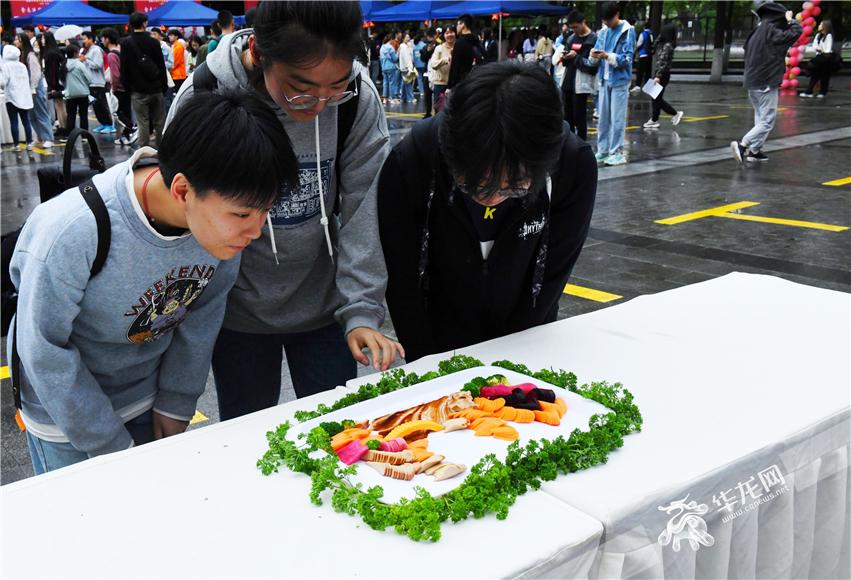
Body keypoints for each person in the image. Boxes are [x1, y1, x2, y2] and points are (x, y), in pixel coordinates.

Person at [9, 90, 299, 475]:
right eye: (243, 213)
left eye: (265, 211)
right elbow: (43, 350)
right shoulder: (71, 231)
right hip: (66, 418)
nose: (256, 231)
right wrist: (112, 447)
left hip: (147, 396)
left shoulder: (221, 231)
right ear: (182, 190)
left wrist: (176, 402)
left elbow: (202, 316)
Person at [165, 1, 403, 420]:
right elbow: (184, 217)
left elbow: (366, 206)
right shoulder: (204, 97)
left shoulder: (354, 100)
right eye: (302, 88)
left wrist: (362, 309)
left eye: (336, 86)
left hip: (326, 307)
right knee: (249, 437)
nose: (320, 104)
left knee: (339, 430)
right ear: (258, 52)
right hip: (236, 311)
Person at [378, 61, 597, 362]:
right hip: (437, 334)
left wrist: (512, 361)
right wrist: (427, 363)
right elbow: (402, 280)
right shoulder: (413, 160)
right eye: (474, 185)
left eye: (514, 187)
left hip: (526, 335)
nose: (492, 199)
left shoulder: (573, 165)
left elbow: (553, 274)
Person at [731, 1, 802, 164]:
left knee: (760, 116)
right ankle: (743, 145)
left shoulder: (757, 31)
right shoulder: (772, 31)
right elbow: (796, 32)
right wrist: (791, 20)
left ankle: (755, 151)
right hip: (766, 81)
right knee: (767, 120)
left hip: (752, 81)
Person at [589, 1, 635, 166]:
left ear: (617, 14)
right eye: (605, 20)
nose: (607, 23)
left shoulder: (628, 31)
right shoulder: (603, 32)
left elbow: (627, 59)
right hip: (604, 80)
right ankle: (602, 150)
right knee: (603, 118)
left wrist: (607, 56)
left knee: (617, 119)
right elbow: (594, 55)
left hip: (619, 81)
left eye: (609, 19)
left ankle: (617, 151)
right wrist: (593, 55)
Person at [121, 12, 168, 148]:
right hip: (155, 87)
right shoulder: (153, 42)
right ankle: (161, 149)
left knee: (143, 122)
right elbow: (161, 65)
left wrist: (128, 88)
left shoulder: (126, 43)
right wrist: (163, 86)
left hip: (137, 90)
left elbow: (124, 68)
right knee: (159, 121)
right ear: (144, 23)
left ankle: (144, 151)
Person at [553, 10, 598, 141]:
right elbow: (567, 62)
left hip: (581, 84)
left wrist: (576, 57)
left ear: (583, 22)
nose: (574, 30)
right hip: (567, 81)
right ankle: (569, 143)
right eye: (572, 28)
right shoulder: (571, 38)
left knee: (580, 117)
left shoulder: (593, 39)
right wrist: (565, 57)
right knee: (567, 117)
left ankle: (581, 144)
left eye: (576, 27)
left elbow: (591, 66)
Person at [642, 23, 684, 129]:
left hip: (662, 74)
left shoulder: (667, 46)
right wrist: (658, 40)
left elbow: (663, 62)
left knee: (656, 98)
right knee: (655, 96)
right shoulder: (664, 44)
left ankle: (671, 114)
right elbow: (653, 48)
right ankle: (655, 119)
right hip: (660, 73)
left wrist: (658, 76)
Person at [16, 33, 54, 148]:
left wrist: (33, 87)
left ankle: (49, 138)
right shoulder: (23, 55)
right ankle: (40, 137)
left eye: (17, 39)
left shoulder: (30, 55)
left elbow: (36, 73)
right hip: (28, 90)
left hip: (35, 89)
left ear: (22, 41)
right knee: (31, 116)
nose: (15, 41)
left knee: (41, 113)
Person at [101, 28, 137, 146]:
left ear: (107, 39)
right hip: (128, 86)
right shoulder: (122, 50)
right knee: (126, 112)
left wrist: (113, 88)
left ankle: (132, 128)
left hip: (119, 88)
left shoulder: (111, 55)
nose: (102, 40)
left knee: (118, 112)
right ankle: (125, 137)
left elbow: (115, 75)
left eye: (103, 38)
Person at [1, 45, 34, 150]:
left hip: (11, 98)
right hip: (24, 97)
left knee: (14, 122)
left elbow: (3, 82)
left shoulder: (6, 66)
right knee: (26, 121)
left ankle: (17, 145)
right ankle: (29, 143)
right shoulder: (22, 65)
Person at [80, 31, 114, 134]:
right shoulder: (89, 50)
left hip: (97, 82)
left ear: (91, 39)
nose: (83, 41)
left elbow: (98, 65)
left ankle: (109, 125)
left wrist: (85, 60)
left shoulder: (96, 50)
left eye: (85, 39)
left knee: (101, 104)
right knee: (96, 105)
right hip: (91, 82)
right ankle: (103, 123)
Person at [41, 31, 67, 138]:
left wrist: (53, 86)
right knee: (59, 106)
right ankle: (62, 126)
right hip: (57, 82)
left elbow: (53, 71)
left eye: (43, 38)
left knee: (60, 106)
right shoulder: (54, 51)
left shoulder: (50, 54)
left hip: (55, 83)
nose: (41, 40)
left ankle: (64, 128)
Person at [800, 20, 835, 98]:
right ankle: (809, 91)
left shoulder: (828, 36)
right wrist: (819, 49)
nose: (819, 26)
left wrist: (820, 49)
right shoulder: (818, 35)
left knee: (824, 76)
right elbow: (814, 47)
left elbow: (827, 49)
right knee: (815, 75)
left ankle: (822, 92)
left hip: (826, 57)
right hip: (819, 57)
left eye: (821, 24)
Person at [62, 43, 91, 133]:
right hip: (83, 93)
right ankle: (84, 135)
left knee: (71, 115)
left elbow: (61, 80)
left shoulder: (64, 65)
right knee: (83, 115)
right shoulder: (80, 65)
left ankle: (69, 135)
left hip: (70, 93)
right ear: (75, 53)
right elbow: (89, 79)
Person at [448, 14, 482, 89]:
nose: (456, 27)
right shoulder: (477, 41)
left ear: (462, 24)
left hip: (463, 83)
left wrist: (450, 86)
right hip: (477, 81)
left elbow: (455, 66)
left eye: (457, 24)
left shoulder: (460, 42)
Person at [429, 26, 454, 112]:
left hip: (455, 85)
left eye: (451, 32)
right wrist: (446, 59)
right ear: (443, 35)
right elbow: (433, 64)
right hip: (440, 84)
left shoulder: (459, 47)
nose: (449, 35)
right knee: (439, 112)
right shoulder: (439, 48)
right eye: (447, 33)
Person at [419, 28, 437, 117]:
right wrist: (428, 51)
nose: (430, 39)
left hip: (437, 73)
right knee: (427, 94)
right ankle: (427, 112)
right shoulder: (425, 47)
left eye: (431, 36)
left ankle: (437, 112)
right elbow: (423, 59)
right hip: (427, 72)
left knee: (438, 94)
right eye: (428, 37)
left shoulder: (439, 46)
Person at [380, 33, 400, 104]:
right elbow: (395, 59)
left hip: (384, 67)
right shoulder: (390, 48)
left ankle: (385, 99)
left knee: (385, 83)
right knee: (392, 83)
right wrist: (398, 52)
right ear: (391, 40)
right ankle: (393, 98)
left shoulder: (382, 47)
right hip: (391, 67)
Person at [632, 24, 653, 93]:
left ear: (644, 27)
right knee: (648, 71)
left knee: (640, 71)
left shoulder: (643, 34)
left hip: (643, 55)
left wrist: (635, 50)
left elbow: (639, 44)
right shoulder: (651, 34)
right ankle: (648, 88)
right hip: (649, 55)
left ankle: (638, 86)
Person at [168, 29, 188, 95]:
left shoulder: (178, 46)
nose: (169, 37)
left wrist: (169, 70)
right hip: (176, 74)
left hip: (178, 75)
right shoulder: (174, 46)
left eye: (171, 35)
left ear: (176, 37)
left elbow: (175, 62)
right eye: (169, 35)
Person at [398, 33, 417, 103]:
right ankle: (410, 98)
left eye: (409, 37)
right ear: (403, 38)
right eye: (406, 37)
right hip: (406, 67)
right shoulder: (404, 46)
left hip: (404, 67)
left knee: (405, 82)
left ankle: (403, 98)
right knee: (409, 82)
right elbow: (407, 58)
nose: (408, 38)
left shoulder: (404, 46)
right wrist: (410, 68)